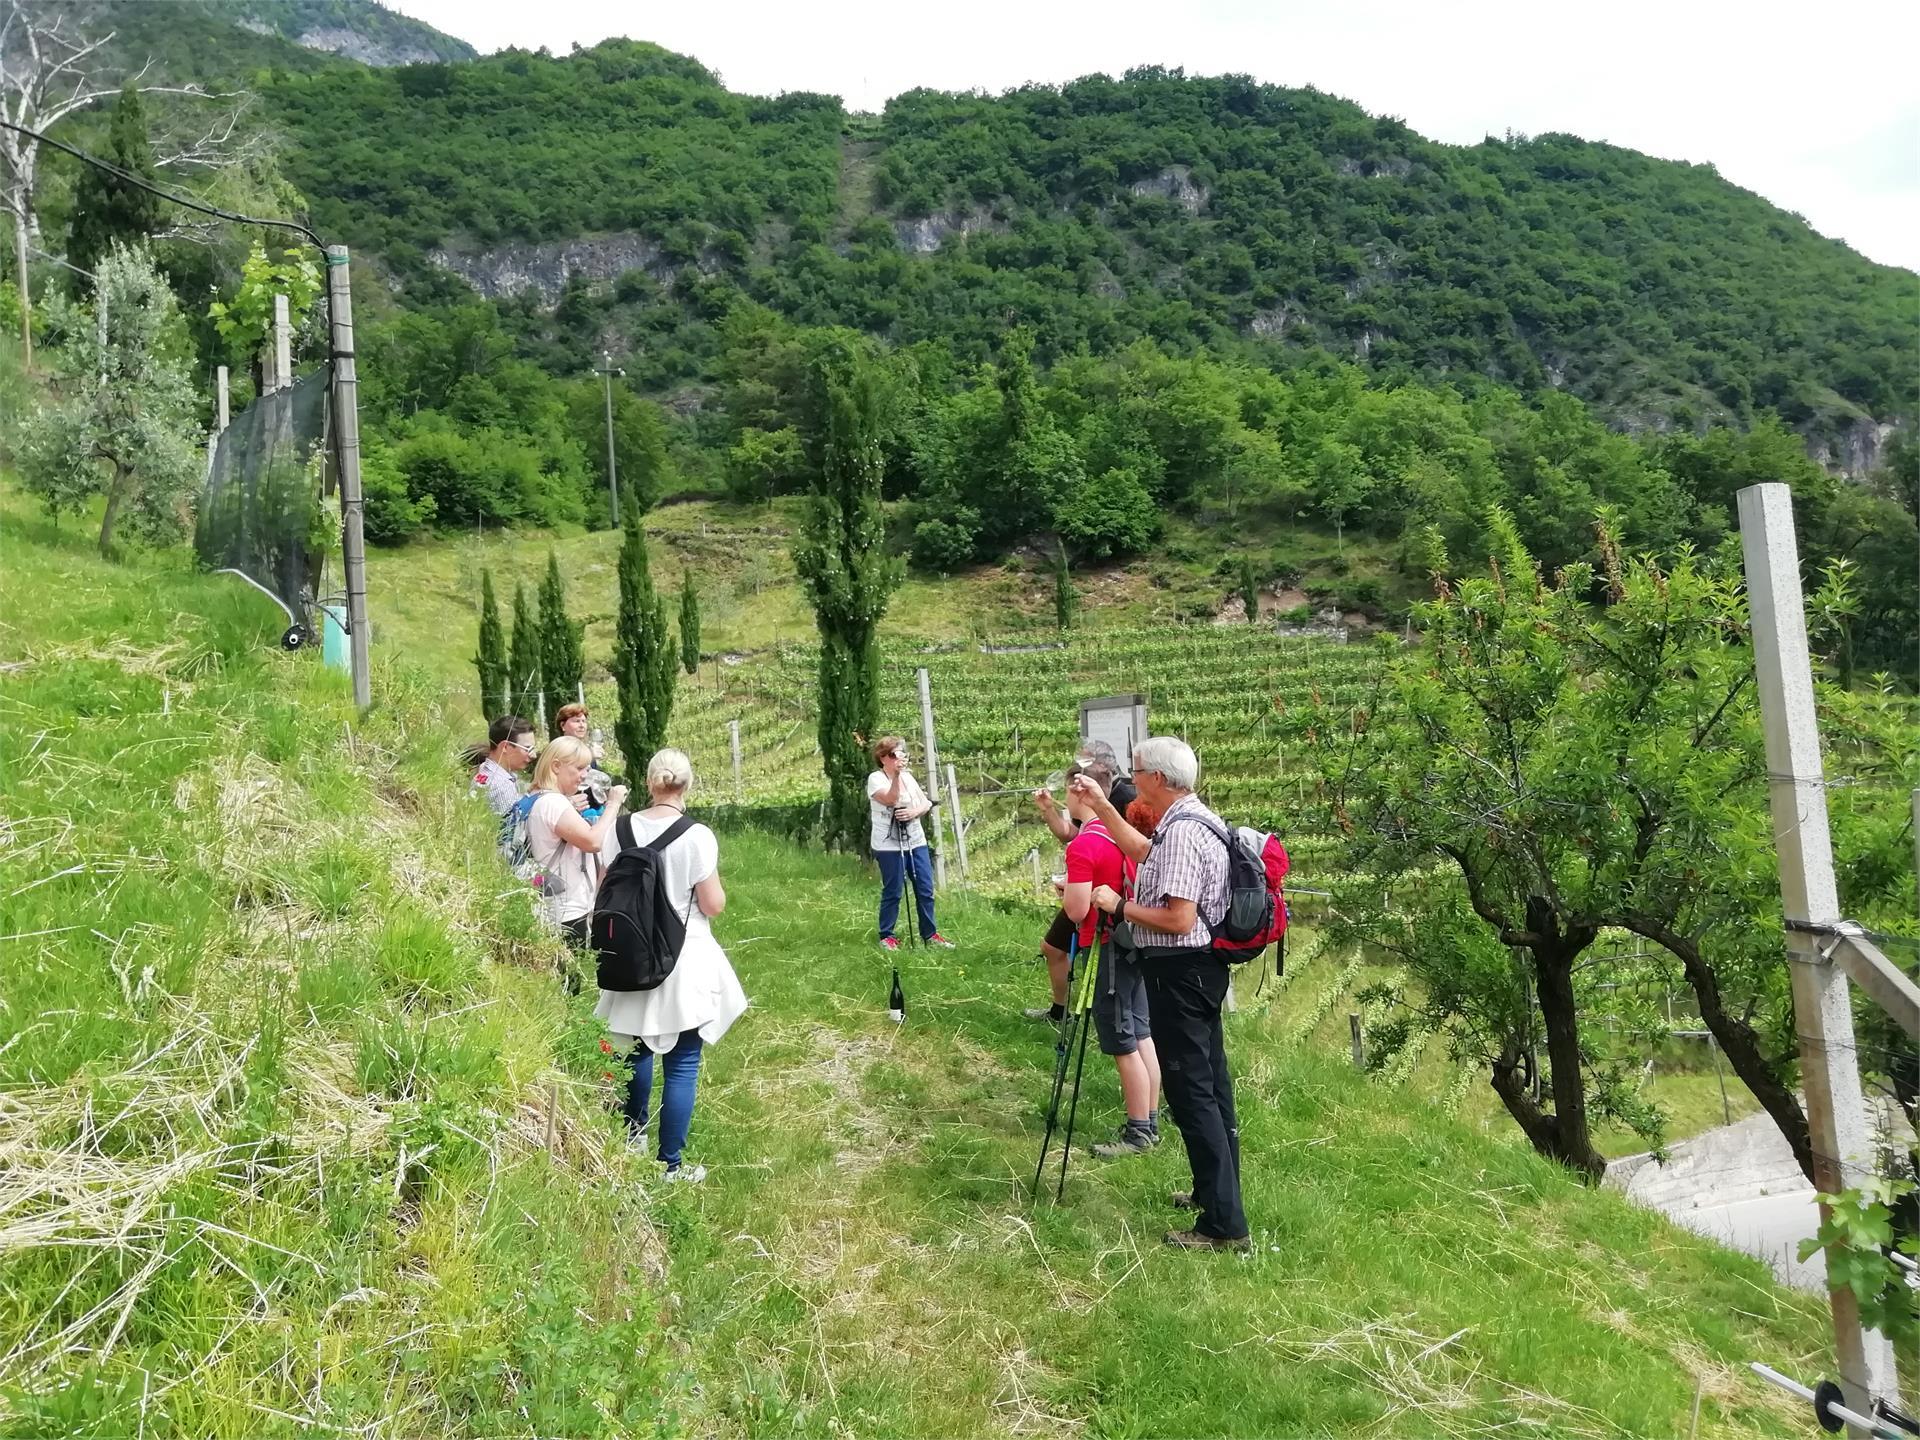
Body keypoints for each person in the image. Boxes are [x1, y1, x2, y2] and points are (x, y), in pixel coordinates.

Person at [1072, 736, 1248, 1251]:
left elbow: (1178, 918)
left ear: (1157, 780)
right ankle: (1214, 1194)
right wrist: (1103, 805)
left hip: (1181, 973)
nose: (1135, 776)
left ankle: (1223, 1227)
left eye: (1138, 770)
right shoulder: (1189, 821)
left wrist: (1118, 905)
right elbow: (1147, 853)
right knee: (1212, 1084)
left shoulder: (1185, 833)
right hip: (1200, 971)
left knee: (1193, 1092)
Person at [595, 748, 748, 1183]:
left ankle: (631, 1137)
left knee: (636, 1048)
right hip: (683, 954)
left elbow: (608, 890)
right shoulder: (697, 835)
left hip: (629, 951)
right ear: (688, 785)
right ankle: (670, 1165)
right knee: (682, 1061)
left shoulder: (621, 829)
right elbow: (712, 904)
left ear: (649, 782)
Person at [1057, 761, 1163, 1159]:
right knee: (1140, 1031)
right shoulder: (1124, 835)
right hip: (1134, 943)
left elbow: (1076, 910)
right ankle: (1149, 1120)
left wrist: (1066, 890)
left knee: (1121, 1040)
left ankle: (1138, 1132)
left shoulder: (1083, 844)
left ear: (1077, 792)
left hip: (1105, 949)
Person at [1026, 739, 1139, 1022]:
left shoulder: (1124, 797)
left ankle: (1077, 1011)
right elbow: (1072, 834)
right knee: (1053, 947)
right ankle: (1061, 1009)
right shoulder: (1093, 820)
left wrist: (1074, 885)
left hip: (1102, 903)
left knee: (1120, 1029)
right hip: (1091, 888)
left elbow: (1095, 846)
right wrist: (1048, 809)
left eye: (1085, 760)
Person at [525, 735, 629, 949]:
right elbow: (592, 841)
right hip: (566, 909)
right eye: (579, 768)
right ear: (556, 766)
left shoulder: (535, 797)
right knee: (570, 978)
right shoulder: (554, 803)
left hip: (551, 904)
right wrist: (613, 804)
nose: (584, 776)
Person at [867, 736, 953, 951]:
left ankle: (930, 934)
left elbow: (925, 803)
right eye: (893, 755)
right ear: (882, 757)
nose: (898, 759)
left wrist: (914, 812)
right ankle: (887, 935)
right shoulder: (876, 779)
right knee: (894, 890)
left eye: (900, 754)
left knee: (925, 888)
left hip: (916, 840)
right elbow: (890, 799)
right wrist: (896, 776)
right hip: (888, 845)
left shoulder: (908, 777)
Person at [554, 701, 615, 819]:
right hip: (571, 812)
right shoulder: (558, 749)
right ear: (563, 725)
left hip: (593, 809)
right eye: (577, 721)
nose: (582, 725)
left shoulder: (586, 749)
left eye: (584, 721)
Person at [472, 715, 537, 822]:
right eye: (528, 749)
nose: (533, 755)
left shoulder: (485, 770)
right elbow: (512, 830)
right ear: (505, 747)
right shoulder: (502, 786)